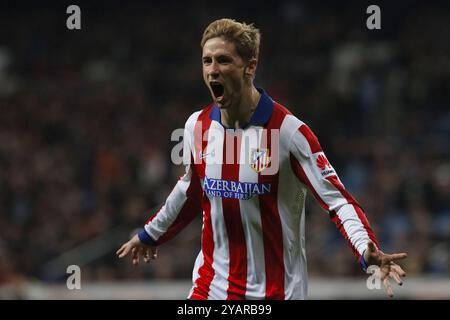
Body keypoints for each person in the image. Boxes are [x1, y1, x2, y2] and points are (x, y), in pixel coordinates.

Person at [117, 18, 407, 300]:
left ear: (250, 67)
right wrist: (149, 234)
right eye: (207, 61)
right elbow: (190, 190)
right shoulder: (197, 126)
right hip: (212, 287)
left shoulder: (289, 133)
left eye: (223, 60)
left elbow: (337, 200)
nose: (213, 70)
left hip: (276, 292)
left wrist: (365, 248)